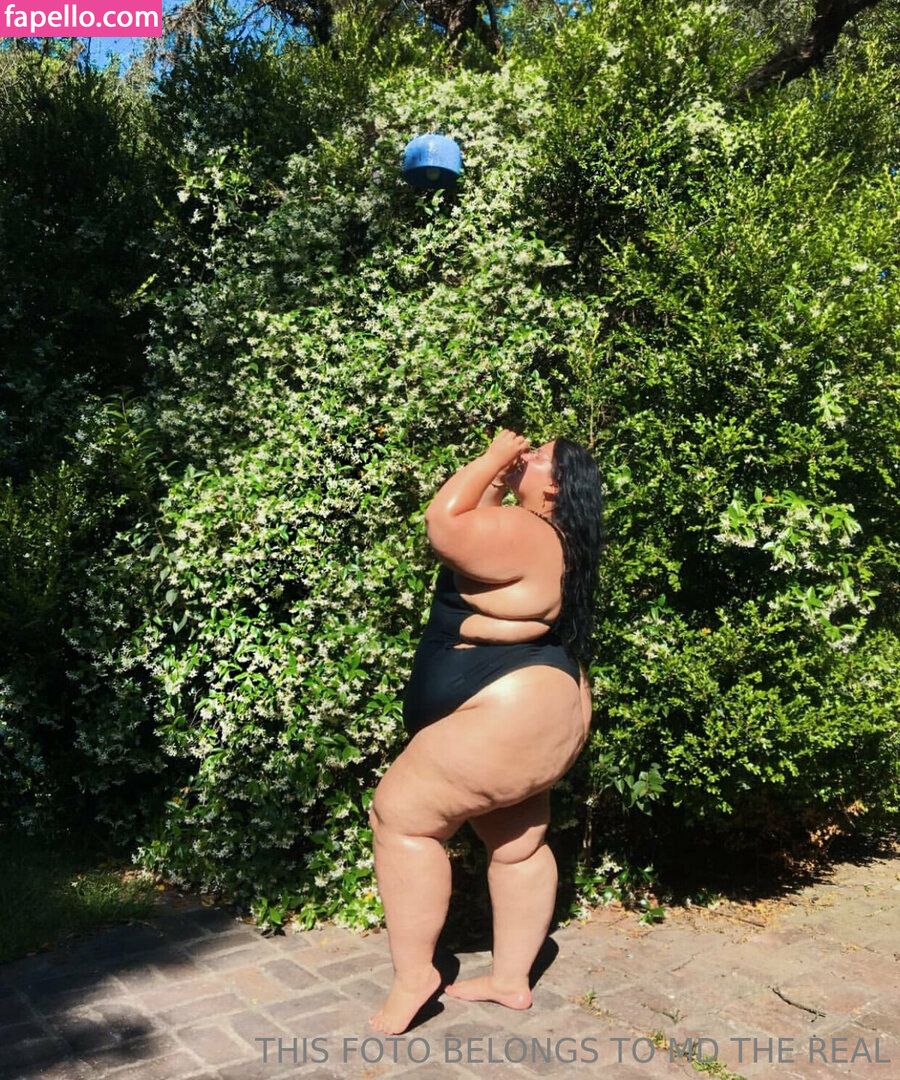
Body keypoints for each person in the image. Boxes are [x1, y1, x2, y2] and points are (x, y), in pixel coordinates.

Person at [368, 429, 605, 1035]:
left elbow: (444, 524)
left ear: (556, 487)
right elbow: (478, 524)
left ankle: (415, 977)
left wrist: (493, 458)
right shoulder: (551, 538)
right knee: (516, 841)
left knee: (401, 820)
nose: (529, 455)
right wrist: (499, 478)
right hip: (538, 705)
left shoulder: (527, 531)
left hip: (509, 708)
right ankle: (509, 979)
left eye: (541, 457)